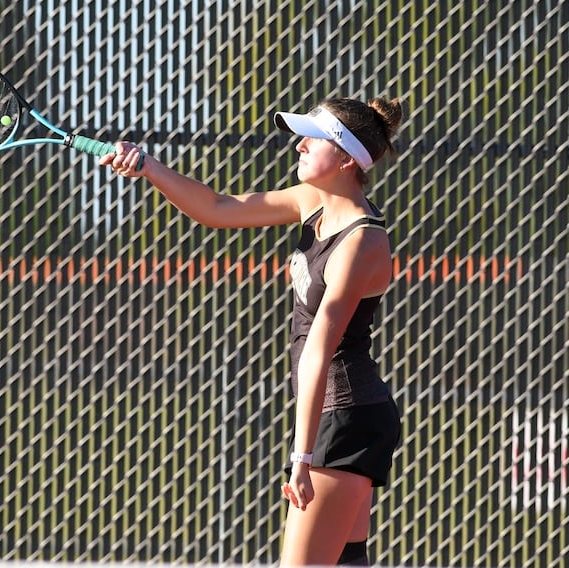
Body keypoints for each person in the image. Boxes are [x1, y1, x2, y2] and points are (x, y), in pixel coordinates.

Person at [101, 96, 403, 566]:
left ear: (345, 158)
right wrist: (149, 167)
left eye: (313, 139)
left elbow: (319, 351)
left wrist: (302, 458)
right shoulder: (313, 203)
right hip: (345, 415)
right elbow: (220, 208)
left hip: (342, 419)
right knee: (345, 562)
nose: (299, 145)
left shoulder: (363, 241)